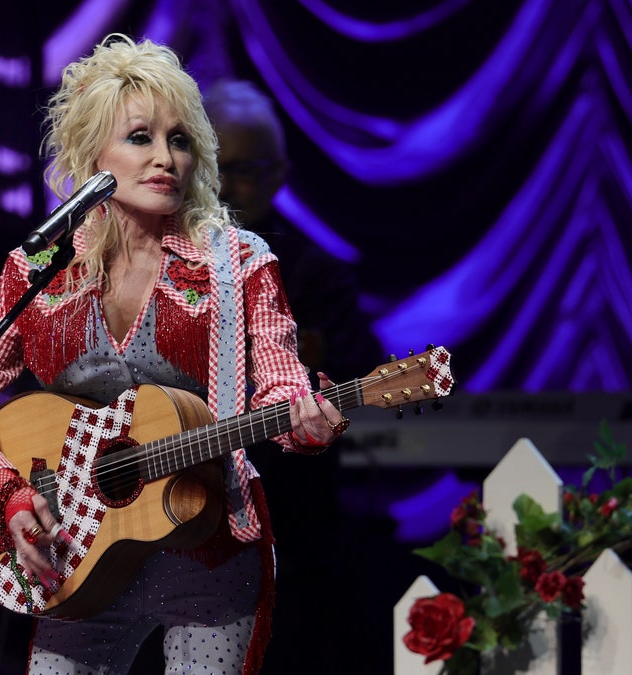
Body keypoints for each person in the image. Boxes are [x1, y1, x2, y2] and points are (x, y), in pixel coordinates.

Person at [0, 34, 350, 674]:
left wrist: (305, 422)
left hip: (209, 551)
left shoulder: (237, 261)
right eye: (140, 137)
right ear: (90, 153)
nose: (165, 158)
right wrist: (11, 492)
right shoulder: (39, 270)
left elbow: (280, 382)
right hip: (75, 553)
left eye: (180, 140)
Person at [202, 79, 384, 673]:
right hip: (173, 542)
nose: (226, 186)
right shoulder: (156, 266)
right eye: (212, 166)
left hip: (291, 541)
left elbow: (361, 385)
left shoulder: (317, 277)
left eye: (244, 169)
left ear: (280, 174)